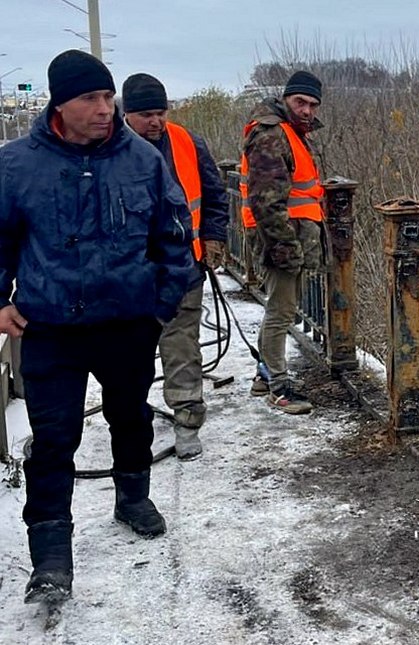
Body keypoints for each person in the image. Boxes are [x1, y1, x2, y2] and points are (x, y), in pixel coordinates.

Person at [0, 50, 196, 604]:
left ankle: (133, 497)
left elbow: (175, 235)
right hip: (50, 328)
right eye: (91, 98)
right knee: (55, 438)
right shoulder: (16, 165)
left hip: (127, 323)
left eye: (108, 98)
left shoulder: (142, 160)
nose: (104, 109)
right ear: (60, 104)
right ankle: (51, 556)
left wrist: (158, 305)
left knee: (129, 418)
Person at [122, 73, 229, 460]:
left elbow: (216, 196)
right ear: (127, 114)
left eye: (160, 113)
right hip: (130, 274)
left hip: (184, 266)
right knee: (130, 353)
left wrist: (214, 238)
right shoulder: (107, 149)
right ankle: (131, 423)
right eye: (146, 114)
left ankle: (187, 419)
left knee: (182, 346)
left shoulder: (186, 142)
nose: (156, 122)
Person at [239, 70, 326, 415]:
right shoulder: (272, 135)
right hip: (281, 238)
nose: (307, 110)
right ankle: (278, 385)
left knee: (280, 307)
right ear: (286, 98)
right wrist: (285, 248)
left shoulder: (289, 132)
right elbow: (267, 203)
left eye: (313, 105)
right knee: (281, 311)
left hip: (290, 236)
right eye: (300, 102)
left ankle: (264, 375)